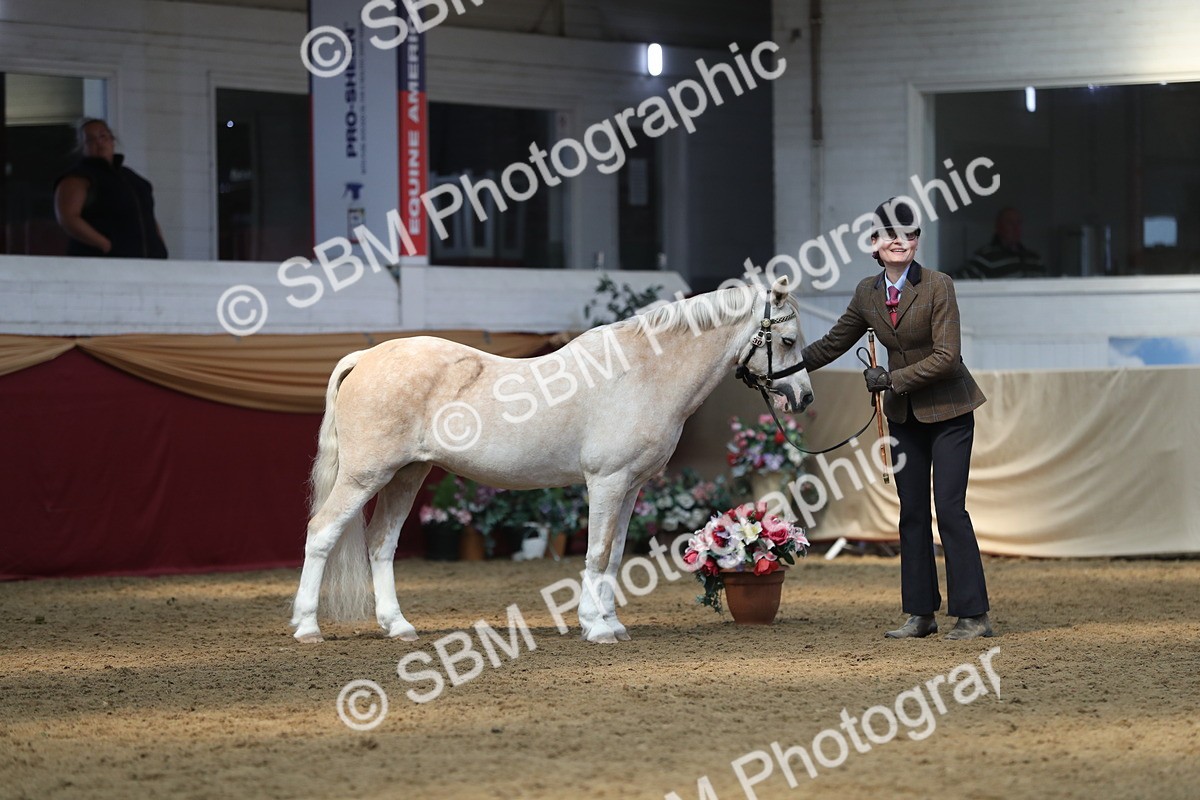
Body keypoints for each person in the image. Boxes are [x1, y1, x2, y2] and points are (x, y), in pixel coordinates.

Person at [799, 197, 993, 640]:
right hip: (905, 416)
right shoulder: (867, 293)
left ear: (916, 241)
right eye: (890, 235)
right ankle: (920, 613)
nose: (899, 241)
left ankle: (973, 615)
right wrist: (783, 367)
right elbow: (833, 343)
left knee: (949, 509)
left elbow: (947, 358)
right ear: (874, 243)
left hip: (950, 411)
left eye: (908, 235)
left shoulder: (939, 286)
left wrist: (890, 378)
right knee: (911, 513)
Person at [53, 119, 169, 258]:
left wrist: (160, 246)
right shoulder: (79, 177)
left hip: (148, 262)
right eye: (90, 139)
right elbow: (68, 218)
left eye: (103, 136)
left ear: (112, 141)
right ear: (82, 147)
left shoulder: (132, 178)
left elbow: (148, 215)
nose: (99, 142)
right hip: (104, 264)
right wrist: (105, 245)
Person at [958, 206, 1044, 279]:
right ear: (999, 226)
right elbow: (958, 282)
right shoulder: (987, 257)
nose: (1015, 228)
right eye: (1010, 223)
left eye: (1018, 223)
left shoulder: (1034, 259)